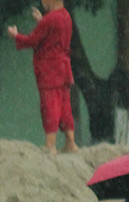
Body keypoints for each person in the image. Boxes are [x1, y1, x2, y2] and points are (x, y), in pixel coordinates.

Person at [8, 0, 78, 154]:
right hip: (64, 69)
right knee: (65, 106)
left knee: (50, 106)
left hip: (49, 71)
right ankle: (70, 143)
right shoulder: (66, 17)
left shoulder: (50, 19)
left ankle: (50, 144)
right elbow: (53, 33)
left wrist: (15, 35)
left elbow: (32, 40)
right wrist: (41, 20)